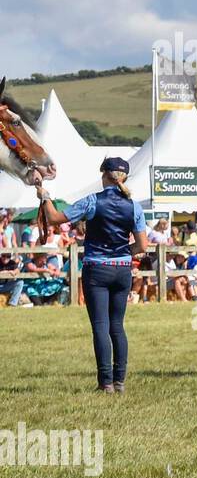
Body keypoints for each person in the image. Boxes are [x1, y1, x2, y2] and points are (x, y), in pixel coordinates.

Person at [35, 157, 148, 394]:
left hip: (96, 268)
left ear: (104, 175)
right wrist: (122, 253)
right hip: (122, 269)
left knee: (100, 326)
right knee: (117, 325)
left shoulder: (92, 201)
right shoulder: (135, 206)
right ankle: (120, 381)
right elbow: (142, 246)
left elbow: (55, 219)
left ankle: (105, 382)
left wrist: (45, 197)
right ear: (124, 177)